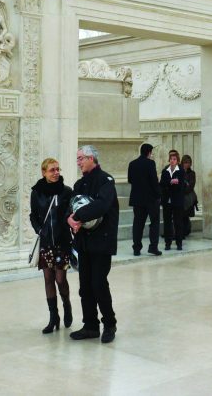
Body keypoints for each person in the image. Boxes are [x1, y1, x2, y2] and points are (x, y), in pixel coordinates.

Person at [68, 145, 120, 343]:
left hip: (102, 242)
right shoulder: (79, 184)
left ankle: (109, 324)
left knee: (99, 284)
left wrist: (78, 217)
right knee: (85, 287)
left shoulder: (106, 180)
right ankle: (90, 326)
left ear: (91, 159)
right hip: (84, 242)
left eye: (81, 158)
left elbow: (101, 205)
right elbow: (70, 205)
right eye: (78, 159)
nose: (78, 162)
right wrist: (69, 219)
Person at [29, 158, 74, 334]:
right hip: (46, 242)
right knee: (48, 279)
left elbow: (72, 213)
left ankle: (66, 304)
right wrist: (39, 229)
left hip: (62, 241)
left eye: (57, 169)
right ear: (44, 172)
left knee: (60, 279)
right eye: (52, 170)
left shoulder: (66, 192)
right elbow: (33, 215)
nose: (56, 173)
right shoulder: (37, 192)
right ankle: (53, 317)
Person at [127, 143, 162, 256]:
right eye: (151, 152)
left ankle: (136, 248)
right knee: (154, 223)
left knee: (138, 223)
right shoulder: (150, 163)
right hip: (151, 199)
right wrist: (158, 195)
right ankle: (153, 247)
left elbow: (130, 180)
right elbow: (154, 181)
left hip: (137, 199)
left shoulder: (132, 164)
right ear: (149, 152)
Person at [160, 150, 188, 250]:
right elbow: (162, 184)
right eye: (171, 159)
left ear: (177, 160)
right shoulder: (165, 171)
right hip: (167, 200)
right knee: (167, 222)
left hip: (177, 200)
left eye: (174, 159)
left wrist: (171, 183)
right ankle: (168, 243)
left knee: (178, 222)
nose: (172, 161)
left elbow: (181, 185)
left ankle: (179, 243)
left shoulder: (181, 171)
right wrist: (171, 182)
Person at [181, 154, 198, 238]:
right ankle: (182, 231)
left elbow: (191, 185)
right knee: (181, 215)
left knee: (185, 214)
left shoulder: (192, 173)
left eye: (188, 163)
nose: (187, 164)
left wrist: (183, 190)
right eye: (185, 162)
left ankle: (186, 231)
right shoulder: (179, 171)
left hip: (188, 197)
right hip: (180, 197)